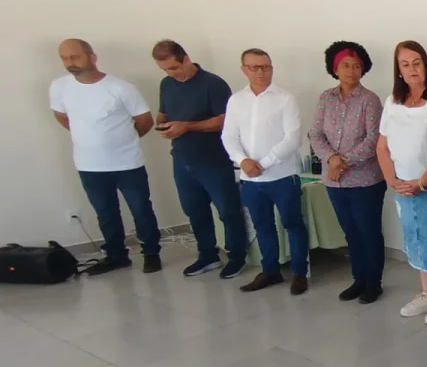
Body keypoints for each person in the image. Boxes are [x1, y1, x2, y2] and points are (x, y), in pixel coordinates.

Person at [50, 39, 162, 275]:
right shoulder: (59, 87)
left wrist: (121, 141)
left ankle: (151, 253)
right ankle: (116, 256)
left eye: (75, 57)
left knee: (141, 209)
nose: (70, 62)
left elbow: (144, 121)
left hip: (127, 163)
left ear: (92, 57)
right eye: (64, 58)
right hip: (89, 165)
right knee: (106, 213)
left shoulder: (120, 88)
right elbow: (61, 116)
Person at [378, 40, 427, 326]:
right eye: (405, 64)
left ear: (426, 64)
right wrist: (392, 179)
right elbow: (382, 146)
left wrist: (422, 183)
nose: (412, 69)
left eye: (417, 62)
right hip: (402, 187)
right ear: (398, 70)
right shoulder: (393, 102)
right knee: (417, 239)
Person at [153, 39, 247, 279]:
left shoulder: (213, 84)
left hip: (213, 158)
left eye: (174, 67)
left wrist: (187, 126)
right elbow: (163, 113)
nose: (170, 73)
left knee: (227, 210)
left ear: (186, 58)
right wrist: (163, 125)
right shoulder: (167, 84)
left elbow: (225, 121)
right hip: (182, 157)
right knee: (194, 210)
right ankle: (208, 255)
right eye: (164, 70)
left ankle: (237, 256)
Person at [221, 48, 309, 296]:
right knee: (263, 226)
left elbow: (292, 138)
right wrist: (243, 161)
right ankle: (270, 271)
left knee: (293, 224)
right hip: (250, 179)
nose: (261, 72)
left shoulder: (285, 98)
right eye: (255, 67)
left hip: (283, 176)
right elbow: (228, 136)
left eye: (266, 66)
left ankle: (299, 273)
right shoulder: (236, 100)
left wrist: (264, 163)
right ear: (244, 70)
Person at [309, 41, 386, 304]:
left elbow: (374, 139)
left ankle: (374, 283)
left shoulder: (370, 100)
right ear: (335, 68)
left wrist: (342, 162)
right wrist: (331, 159)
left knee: (369, 233)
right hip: (335, 182)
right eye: (345, 65)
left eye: (356, 66)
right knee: (350, 233)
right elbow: (315, 134)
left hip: (366, 181)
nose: (351, 70)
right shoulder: (325, 98)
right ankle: (359, 279)